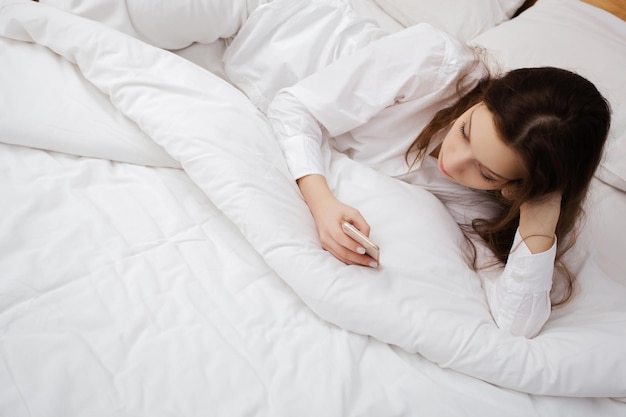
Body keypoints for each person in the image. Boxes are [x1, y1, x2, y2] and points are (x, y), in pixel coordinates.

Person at [229, 4, 611, 338]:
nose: (453, 160)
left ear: (517, 188)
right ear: (484, 98)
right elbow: (295, 108)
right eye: (465, 132)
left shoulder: (486, 207)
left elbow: (517, 325)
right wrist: (322, 203)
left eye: (487, 173)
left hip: (238, 74)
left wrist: (539, 219)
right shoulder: (434, 62)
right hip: (264, 21)